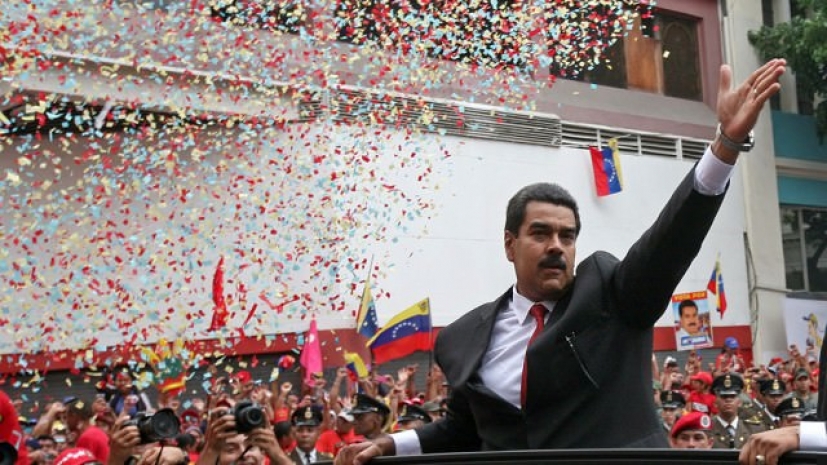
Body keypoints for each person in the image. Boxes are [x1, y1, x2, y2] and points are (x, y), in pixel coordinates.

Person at [334, 58, 788, 465]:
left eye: (567, 236)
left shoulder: (611, 295)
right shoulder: (462, 338)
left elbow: (669, 243)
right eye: (540, 233)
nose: (557, 246)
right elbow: (464, 429)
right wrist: (390, 444)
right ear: (509, 245)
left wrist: (725, 146)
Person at [710, 373, 761, 449]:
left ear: (739, 402)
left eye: (732, 396)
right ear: (715, 403)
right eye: (723, 396)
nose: (728, 400)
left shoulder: (754, 429)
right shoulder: (708, 428)